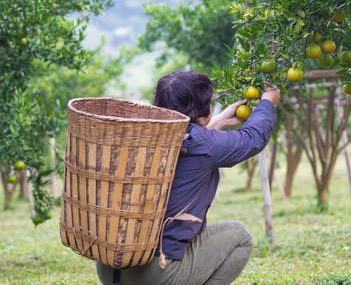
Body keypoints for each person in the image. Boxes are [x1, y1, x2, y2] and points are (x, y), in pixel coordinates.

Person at [97, 71, 279, 285]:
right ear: (204, 109)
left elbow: (188, 144)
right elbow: (252, 139)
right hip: (159, 271)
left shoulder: (145, 133)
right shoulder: (202, 144)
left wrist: (217, 122)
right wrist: (268, 101)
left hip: (111, 268)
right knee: (240, 237)